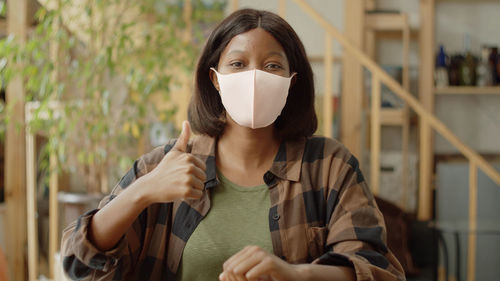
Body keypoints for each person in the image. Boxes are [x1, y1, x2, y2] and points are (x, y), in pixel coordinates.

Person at [61, 8, 405, 281]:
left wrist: (296, 275)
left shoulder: (330, 166)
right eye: (238, 64)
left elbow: (378, 270)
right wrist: (142, 191)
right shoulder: (166, 165)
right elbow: (79, 263)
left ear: (290, 81)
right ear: (215, 79)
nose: (254, 77)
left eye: (272, 66)